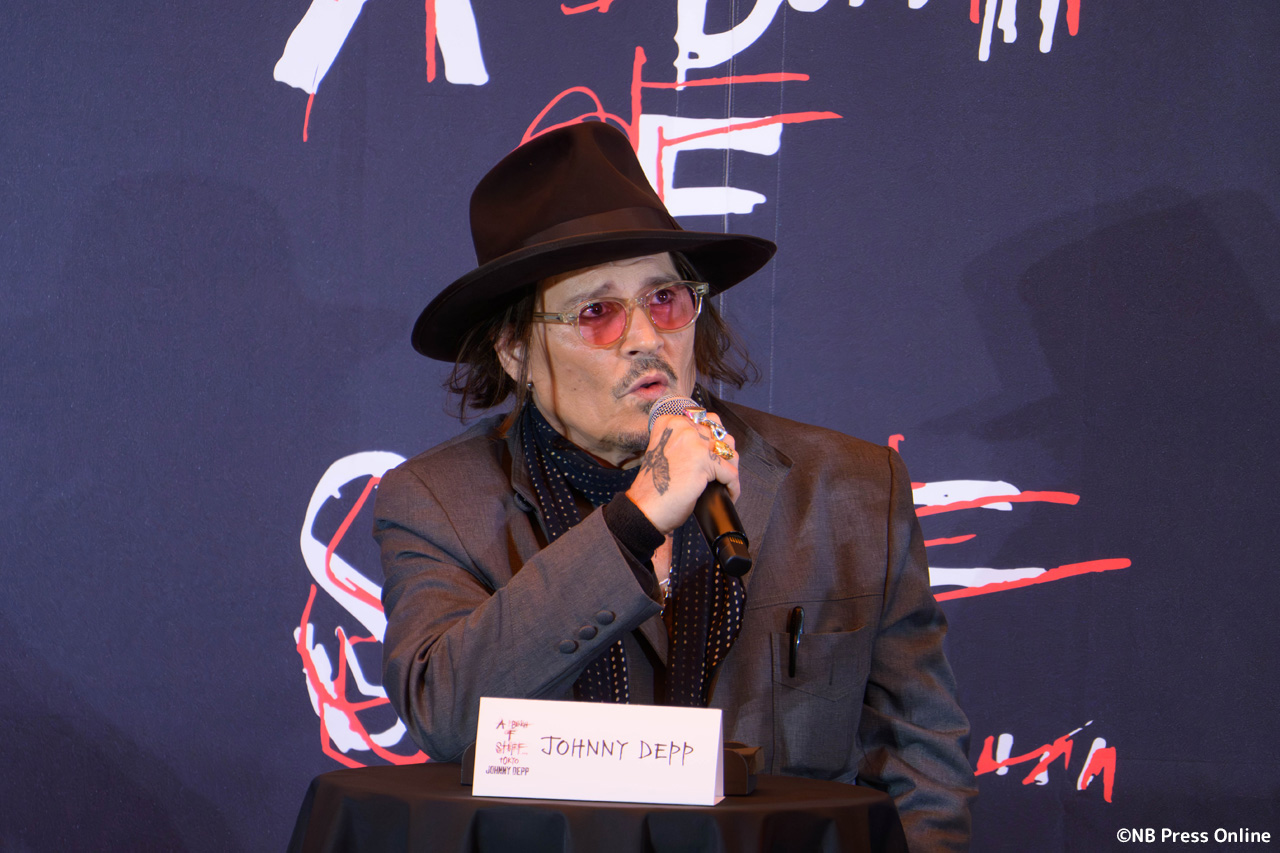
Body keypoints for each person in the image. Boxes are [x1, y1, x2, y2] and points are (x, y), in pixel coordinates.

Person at [375, 121, 977, 850]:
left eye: (664, 298)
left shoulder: (852, 489)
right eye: (597, 313)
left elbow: (920, 770)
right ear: (515, 351)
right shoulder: (437, 501)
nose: (646, 337)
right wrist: (636, 520)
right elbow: (444, 713)